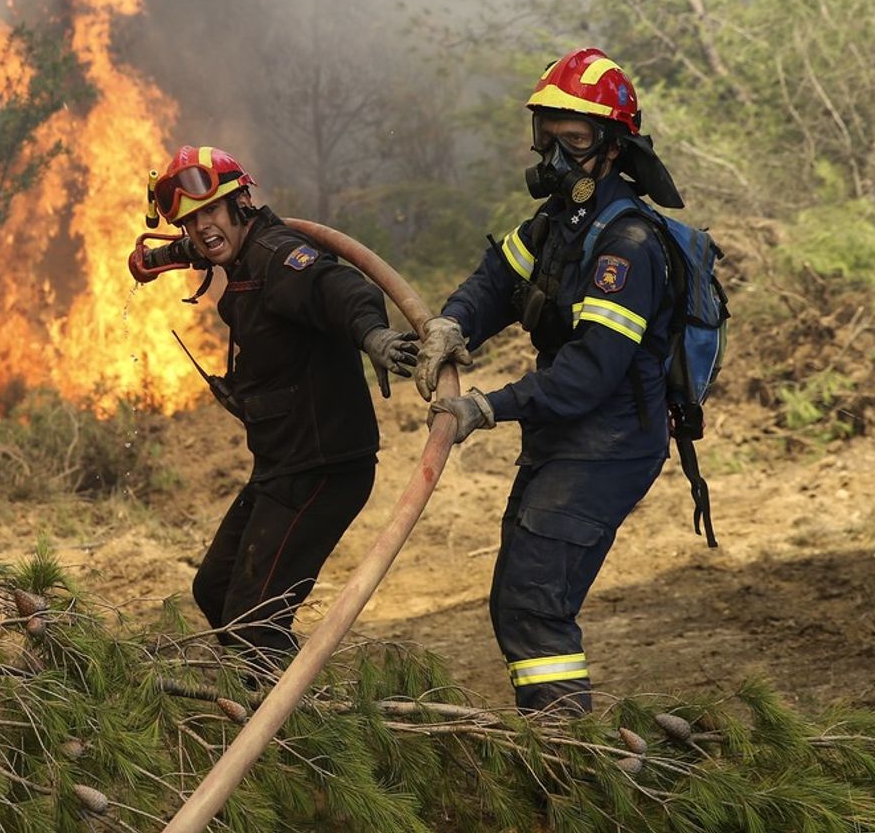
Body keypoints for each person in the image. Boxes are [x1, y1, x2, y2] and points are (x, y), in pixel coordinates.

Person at [413, 48, 688, 715]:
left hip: (609, 443)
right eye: (548, 135)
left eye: (577, 140)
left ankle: (569, 753)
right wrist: (453, 323)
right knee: (518, 598)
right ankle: (562, 743)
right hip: (564, 437)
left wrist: (487, 405)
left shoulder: (627, 245)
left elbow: (590, 373)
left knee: (534, 604)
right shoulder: (560, 222)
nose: (558, 156)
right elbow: (495, 281)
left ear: (614, 147)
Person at [129, 145, 418, 676]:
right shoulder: (237, 250)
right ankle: (275, 688)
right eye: (189, 222)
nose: (202, 228)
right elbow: (202, 247)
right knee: (215, 588)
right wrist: (160, 258)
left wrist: (373, 336)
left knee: (252, 622)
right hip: (282, 465)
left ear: (240, 203)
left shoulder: (279, 256)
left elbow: (337, 288)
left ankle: (291, 716)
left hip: (324, 469)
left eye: (210, 211)